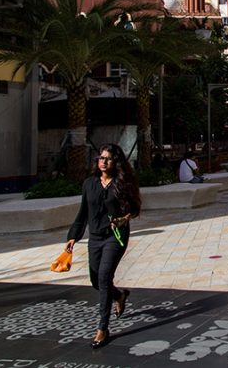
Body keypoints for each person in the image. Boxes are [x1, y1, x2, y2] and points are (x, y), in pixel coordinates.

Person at [65, 144, 141, 349]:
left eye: (108, 158)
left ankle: (102, 328)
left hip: (115, 237)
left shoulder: (122, 183)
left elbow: (135, 209)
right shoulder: (89, 184)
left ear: (116, 162)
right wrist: (73, 237)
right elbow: (83, 213)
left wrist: (124, 219)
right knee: (96, 280)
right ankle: (119, 295)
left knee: (104, 277)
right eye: (101, 158)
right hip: (95, 238)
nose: (103, 162)